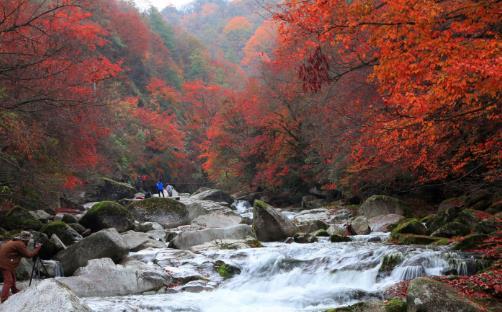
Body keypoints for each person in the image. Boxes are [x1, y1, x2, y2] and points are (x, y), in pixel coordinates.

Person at [0, 231, 41, 302]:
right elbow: (28, 255)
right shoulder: (19, 244)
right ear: (26, 239)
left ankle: (14, 290)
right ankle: (3, 299)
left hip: (5, 261)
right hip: (5, 263)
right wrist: (37, 249)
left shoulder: (15, 241)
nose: (30, 240)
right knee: (8, 280)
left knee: (12, 276)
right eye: (29, 239)